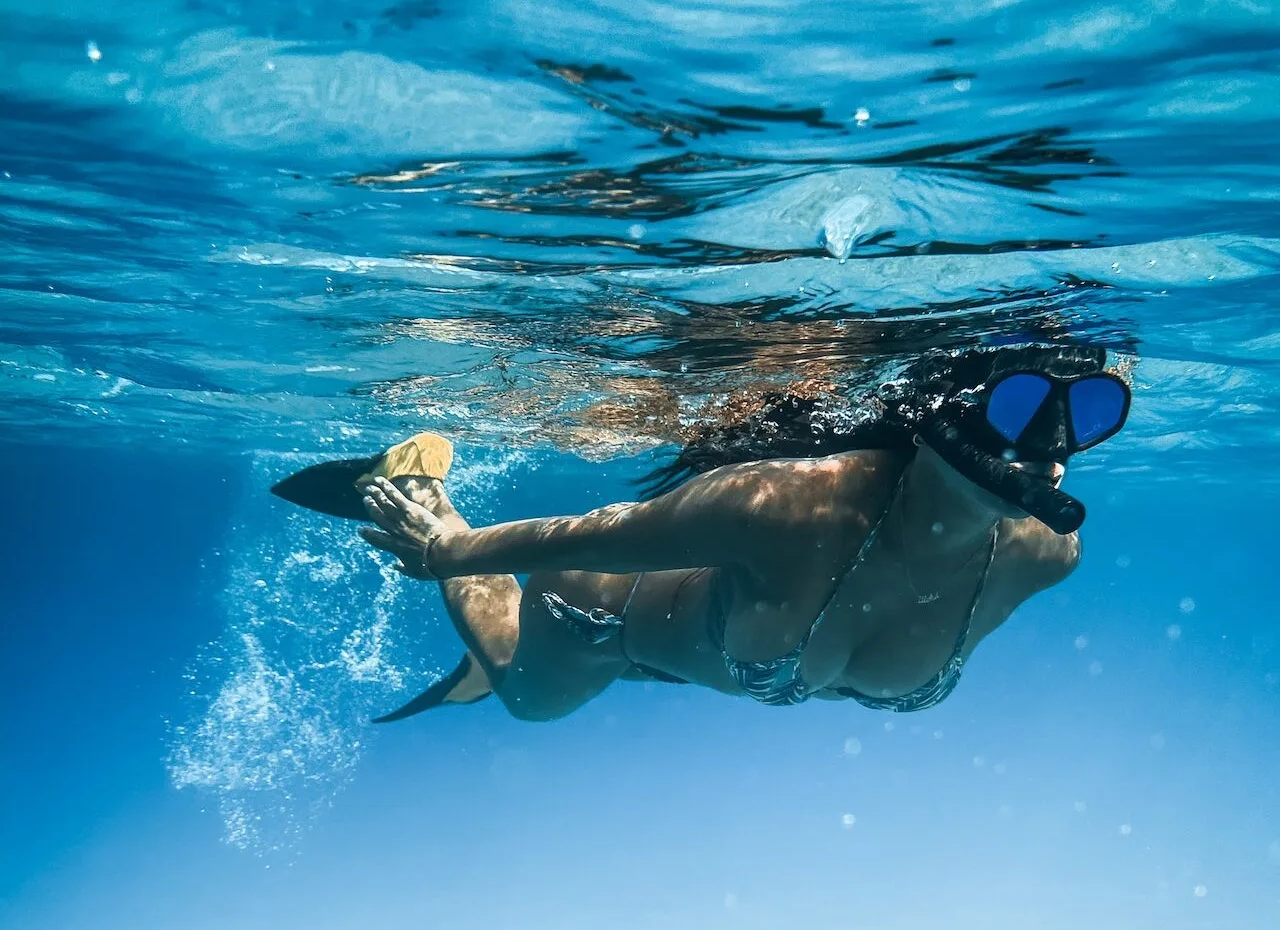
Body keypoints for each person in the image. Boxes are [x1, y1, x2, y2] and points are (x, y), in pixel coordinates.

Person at [273, 343, 1131, 722]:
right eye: (1020, 405)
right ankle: (423, 486)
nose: (1051, 448)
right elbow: (596, 537)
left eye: (1091, 413)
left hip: (698, 650)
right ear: (946, 413)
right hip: (600, 612)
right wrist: (447, 550)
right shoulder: (790, 508)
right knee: (526, 700)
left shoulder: (1045, 555)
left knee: (648, 669)